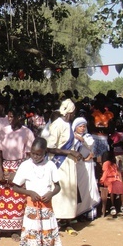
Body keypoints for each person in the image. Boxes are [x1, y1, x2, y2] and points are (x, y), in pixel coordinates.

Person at [12, 137, 62, 246]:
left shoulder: (51, 166)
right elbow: (15, 187)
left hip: (47, 210)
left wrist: (51, 193)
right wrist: (29, 192)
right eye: (33, 153)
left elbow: (58, 186)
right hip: (32, 211)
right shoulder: (25, 166)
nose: (35, 156)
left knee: (46, 245)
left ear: (45, 152)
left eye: (38, 154)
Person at [0, 107, 34, 242]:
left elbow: (29, 156)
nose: (9, 119)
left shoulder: (27, 132)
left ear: (19, 117)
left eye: (12, 117)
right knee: (1, 199)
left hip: (19, 166)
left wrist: (17, 173)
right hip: (4, 166)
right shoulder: (4, 131)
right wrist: (0, 170)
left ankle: (15, 230)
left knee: (17, 199)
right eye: (8, 117)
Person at [44, 99, 82, 235]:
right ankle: (55, 223)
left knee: (68, 192)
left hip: (69, 164)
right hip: (59, 164)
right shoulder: (57, 125)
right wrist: (70, 152)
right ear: (70, 112)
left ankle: (66, 221)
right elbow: (49, 148)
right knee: (59, 193)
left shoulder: (68, 124)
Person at [99, 150, 123, 217]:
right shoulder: (106, 163)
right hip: (108, 180)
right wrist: (102, 180)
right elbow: (105, 173)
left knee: (121, 185)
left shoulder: (114, 164)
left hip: (114, 179)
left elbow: (117, 173)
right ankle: (112, 205)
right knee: (112, 186)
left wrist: (119, 180)